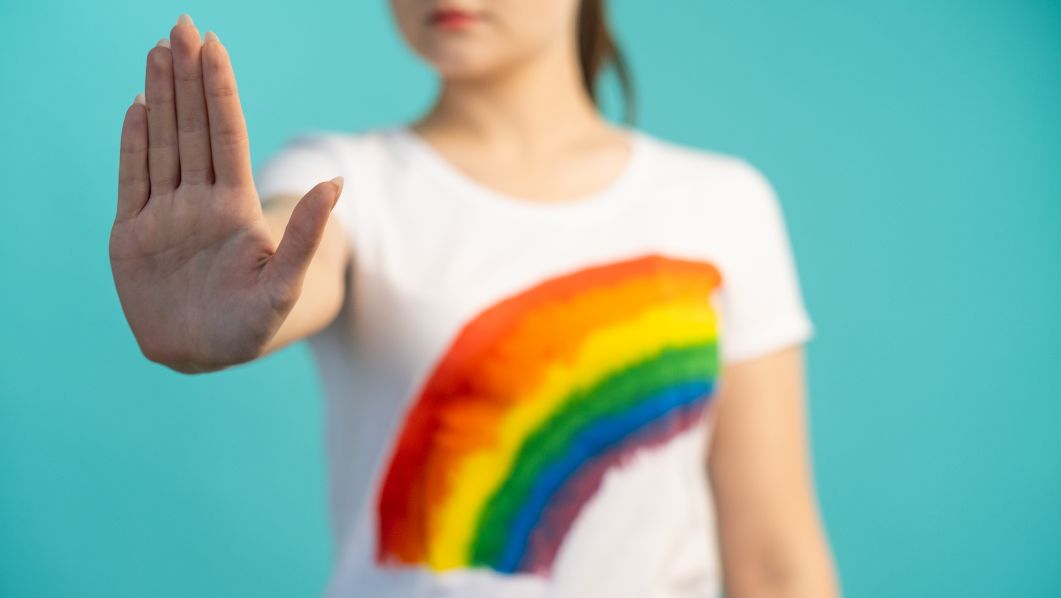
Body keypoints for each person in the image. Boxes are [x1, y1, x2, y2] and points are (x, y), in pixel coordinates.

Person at [110, 2, 840, 597]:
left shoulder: (719, 205)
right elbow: (289, 260)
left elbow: (777, 562)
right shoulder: (342, 179)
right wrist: (221, 306)